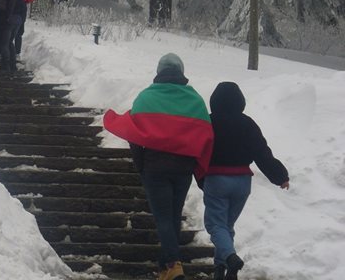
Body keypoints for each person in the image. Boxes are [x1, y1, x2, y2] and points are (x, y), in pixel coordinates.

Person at [103, 53, 214, 280]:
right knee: (173, 216)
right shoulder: (194, 100)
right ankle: (165, 268)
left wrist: (141, 164)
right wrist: (196, 165)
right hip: (183, 168)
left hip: (155, 168)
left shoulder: (147, 97)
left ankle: (174, 264)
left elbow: (134, 134)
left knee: (163, 217)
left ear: (159, 71)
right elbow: (205, 133)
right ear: (181, 72)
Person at [204, 82, 289, 280]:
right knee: (226, 226)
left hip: (216, 179)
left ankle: (231, 258)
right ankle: (221, 269)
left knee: (215, 225)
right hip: (242, 182)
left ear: (214, 101)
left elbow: (197, 149)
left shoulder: (208, 122)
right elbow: (262, 153)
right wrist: (280, 176)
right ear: (240, 101)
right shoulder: (248, 123)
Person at [5, 0, 27, 72]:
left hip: (9, 19)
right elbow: (23, 10)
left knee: (6, 41)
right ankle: (14, 58)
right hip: (18, 20)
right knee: (10, 40)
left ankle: (6, 61)